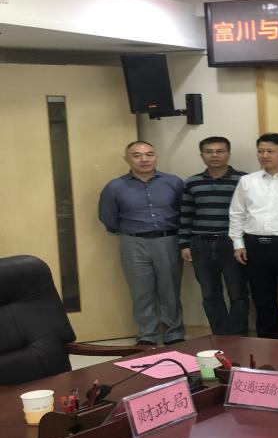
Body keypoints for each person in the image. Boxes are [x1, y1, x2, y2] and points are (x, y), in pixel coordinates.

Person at [98, 140, 185, 345]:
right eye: (137, 155)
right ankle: (147, 336)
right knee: (141, 291)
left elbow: (184, 211)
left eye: (149, 154)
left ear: (156, 157)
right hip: (133, 243)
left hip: (168, 241)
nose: (144, 159)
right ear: (127, 159)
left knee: (170, 291)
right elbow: (107, 216)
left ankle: (174, 334)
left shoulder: (173, 182)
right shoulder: (115, 186)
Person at [229, 133, 278, 340]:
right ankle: (268, 337)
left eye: (270, 151)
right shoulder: (247, 181)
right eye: (260, 151)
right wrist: (238, 243)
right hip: (255, 244)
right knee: (262, 295)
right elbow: (237, 213)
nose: (264, 155)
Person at [179, 136, 249, 336]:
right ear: (201, 155)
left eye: (220, 151)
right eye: (209, 151)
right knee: (210, 294)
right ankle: (220, 335)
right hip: (200, 244)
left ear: (228, 153)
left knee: (238, 293)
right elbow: (186, 214)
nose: (214, 155)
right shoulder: (192, 182)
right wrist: (184, 244)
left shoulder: (244, 180)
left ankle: (238, 336)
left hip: (232, 243)